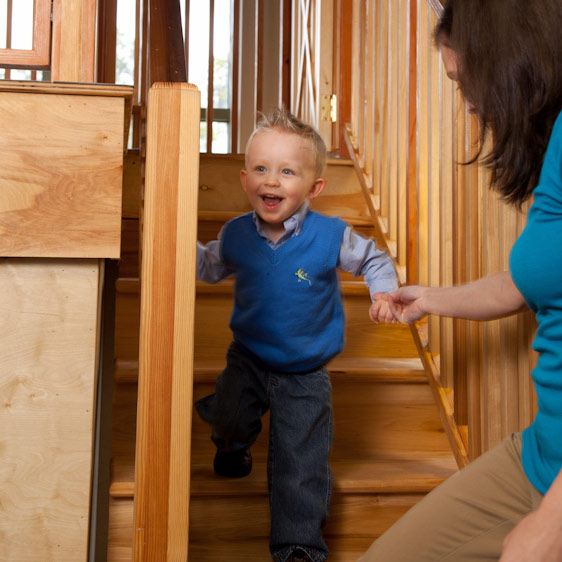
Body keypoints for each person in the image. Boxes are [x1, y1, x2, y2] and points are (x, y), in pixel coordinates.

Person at [358, 1, 562, 561]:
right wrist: (430, 298)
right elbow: (529, 280)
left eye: (466, 79)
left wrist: (551, 525)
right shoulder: (559, 143)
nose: (469, 101)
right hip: (541, 457)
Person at [196, 107, 398, 562]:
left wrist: (384, 292)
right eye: (262, 170)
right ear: (246, 179)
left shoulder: (330, 235)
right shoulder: (234, 235)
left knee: (300, 464)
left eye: (288, 172)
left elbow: (373, 260)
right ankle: (231, 444)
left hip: (305, 370)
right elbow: (209, 266)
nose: (272, 181)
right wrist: (172, 245)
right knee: (228, 412)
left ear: (314, 187)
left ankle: (298, 547)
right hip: (247, 355)